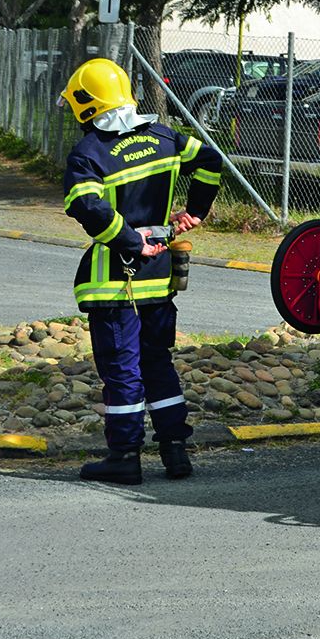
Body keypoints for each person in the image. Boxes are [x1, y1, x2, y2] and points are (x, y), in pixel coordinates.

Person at [59, 57, 224, 483]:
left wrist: (131, 241)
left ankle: (124, 457)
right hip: (159, 279)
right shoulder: (165, 137)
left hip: (115, 286)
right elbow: (209, 160)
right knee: (157, 363)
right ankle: (175, 452)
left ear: (85, 106)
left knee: (122, 371)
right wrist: (197, 211)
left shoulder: (89, 153)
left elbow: (86, 205)